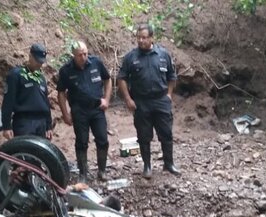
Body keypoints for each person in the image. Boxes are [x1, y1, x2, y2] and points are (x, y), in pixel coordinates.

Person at [117, 23, 180, 179]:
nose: (140, 41)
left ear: (152, 38)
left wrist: (169, 94)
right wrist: (128, 99)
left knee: (166, 133)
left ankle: (169, 163)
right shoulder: (131, 57)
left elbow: (172, 77)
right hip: (141, 102)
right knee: (144, 136)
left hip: (161, 100)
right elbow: (121, 78)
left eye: (144, 38)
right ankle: (147, 166)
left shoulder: (163, 55)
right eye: (138, 37)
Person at [57, 40, 112, 182]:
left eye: (85, 53)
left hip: (97, 108)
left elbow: (107, 79)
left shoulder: (96, 63)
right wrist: (65, 114)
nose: (83, 57)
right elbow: (61, 93)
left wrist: (106, 99)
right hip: (79, 111)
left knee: (103, 140)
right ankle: (83, 174)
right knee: (81, 142)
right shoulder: (66, 70)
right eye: (80, 55)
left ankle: (102, 171)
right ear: (73, 55)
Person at [1, 43, 53, 140]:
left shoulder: (41, 78)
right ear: (30, 56)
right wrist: (6, 126)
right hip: (24, 122)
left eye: (41, 62)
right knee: (25, 151)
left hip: (41, 123)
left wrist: (48, 125)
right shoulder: (16, 75)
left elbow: (46, 102)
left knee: (40, 153)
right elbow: (8, 101)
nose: (39, 64)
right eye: (37, 61)